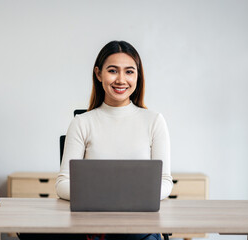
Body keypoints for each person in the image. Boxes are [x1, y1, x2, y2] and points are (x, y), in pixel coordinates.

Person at [18, 40, 172, 240]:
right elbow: (63, 183)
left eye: (129, 71)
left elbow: (165, 182)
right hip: (91, 228)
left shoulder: (154, 121)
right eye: (113, 71)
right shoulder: (82, 123)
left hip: (137, 226)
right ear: (99, 74)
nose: (121, 79)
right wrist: (113, 199)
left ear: (138, 76)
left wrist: (120, 199)